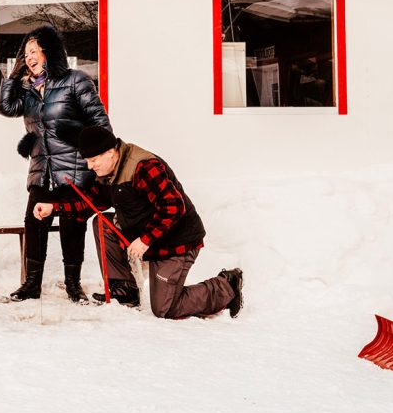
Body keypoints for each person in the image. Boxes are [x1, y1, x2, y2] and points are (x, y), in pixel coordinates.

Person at [36, 125, 244, 319]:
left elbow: (173, 207)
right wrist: (53, 208)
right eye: (87, 161)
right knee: (102, 224)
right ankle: (124, 290)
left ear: (110, 151)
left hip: (176, 241)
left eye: (93, 160)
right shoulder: (108, 172)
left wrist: (145, 240)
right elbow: (89, 203)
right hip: (149, 236)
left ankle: (227, 286)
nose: (90, 166)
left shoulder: (143, 167)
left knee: (165, 308)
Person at [0, 25, 111, 303]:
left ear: (50, 52)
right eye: (26, 54)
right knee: (34, 222)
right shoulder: (27, 89)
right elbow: (5, 108)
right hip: (42, 168)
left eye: (35, 51)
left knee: (73, 224)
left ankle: (73, 285)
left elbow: (100, 124)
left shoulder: (76, 81)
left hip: (73, 168)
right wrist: (13, 76)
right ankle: (31, 283)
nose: (30, 57)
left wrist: (94, 157)